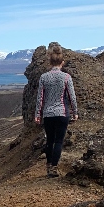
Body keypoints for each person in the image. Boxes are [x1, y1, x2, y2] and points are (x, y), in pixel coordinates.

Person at [34, 43, 78, 177]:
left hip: (48, 114)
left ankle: (48, 166)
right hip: (62, 113)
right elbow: (72, 96)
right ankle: (54, 168)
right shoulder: (66, 77)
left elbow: (40, 97)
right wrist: (75, 112)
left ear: (50, 61)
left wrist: (37, 114)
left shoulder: (44, 77)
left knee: (50, 141)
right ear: (62, 62)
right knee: (59, 141)